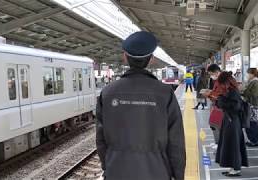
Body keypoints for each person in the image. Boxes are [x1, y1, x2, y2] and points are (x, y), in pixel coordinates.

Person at [96, 31, 186, 180]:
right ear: (151, 59)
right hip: (157, 173)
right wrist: (178, 176)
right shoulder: (165, 93)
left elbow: (101, 141)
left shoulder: (107, 93)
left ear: (125, 57)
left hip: (117, 172)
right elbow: (176, 143)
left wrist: (109, 167)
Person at [215, 72, 248, 177]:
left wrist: (220, 100)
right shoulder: (229, 91)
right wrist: (218, 99)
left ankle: (236, 168)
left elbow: (236, 107)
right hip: (229, 121)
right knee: (229, 144)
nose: (220, 86)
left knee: (233, 145)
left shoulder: (233, 91)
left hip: (233, 122)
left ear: (226, 82)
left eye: (221, 83)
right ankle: (232, 167)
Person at [203, 64, 225, 149]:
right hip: (217, 105)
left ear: (216, 72)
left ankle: (219, 143)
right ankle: (218, 142)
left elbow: (221, 95)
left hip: (221, 107)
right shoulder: (218, 80)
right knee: (214, 124)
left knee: (216, 124)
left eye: (211, 73)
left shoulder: (223, 80)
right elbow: (217, 92)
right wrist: (210, 92)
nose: (211, 76)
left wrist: (209, 94)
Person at [243, 68, 258, 147]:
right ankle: (252, 140)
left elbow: (254, 95)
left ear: (252, 74)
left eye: (248, 73)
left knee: (252, 124)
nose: (247, 75)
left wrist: (244, 91)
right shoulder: (253, 82)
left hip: (252, 106)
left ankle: (254, 141)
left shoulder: (255, 83)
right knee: (251, 123)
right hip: (252, 105)